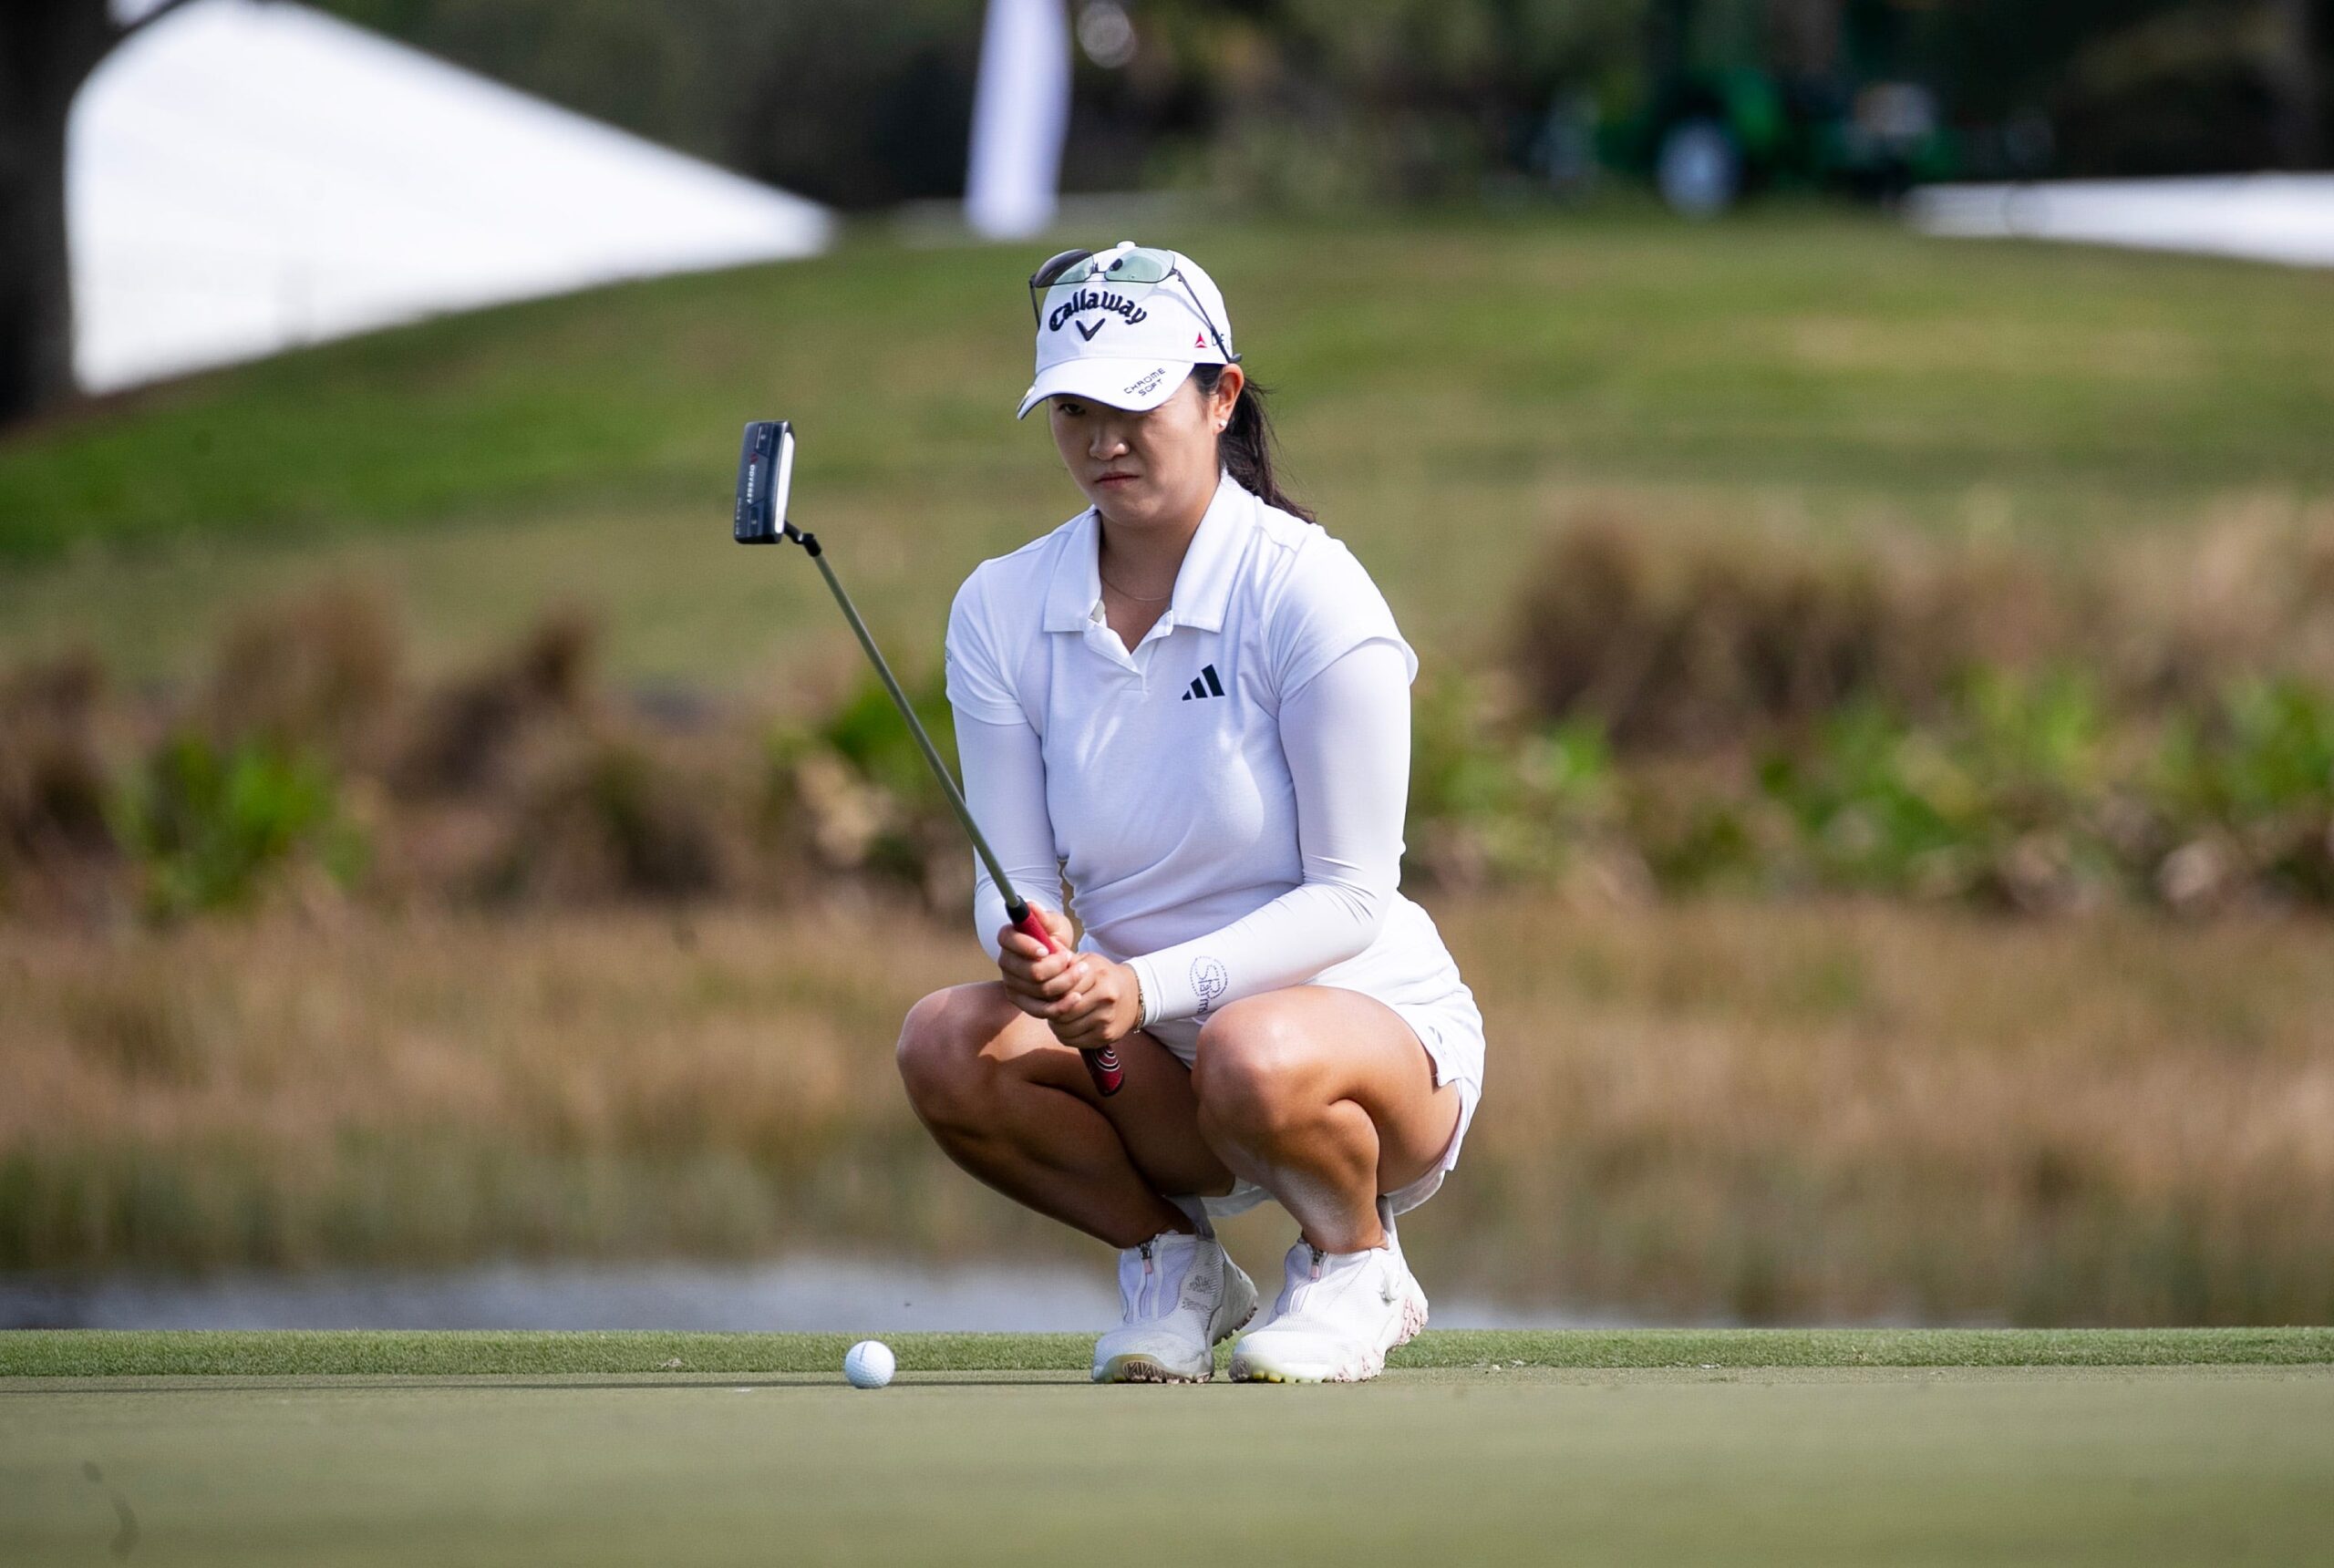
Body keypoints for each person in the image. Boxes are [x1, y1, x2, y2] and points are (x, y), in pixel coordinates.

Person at [894, 240, 1486, 1385]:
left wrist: (1142, 985)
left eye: (1134, 402)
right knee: (943, 1044)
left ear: (1220, 397)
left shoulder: (1308, 589)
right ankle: (1175, 1266)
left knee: (1250, 1048)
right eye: (1072, 409)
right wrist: (1032, 952)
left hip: (1351, 1036)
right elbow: (1010, 880)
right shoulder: (1000, 605)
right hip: (1145, 1051)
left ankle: (1355, 1262)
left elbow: (1353, 896)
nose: (1101, 439)